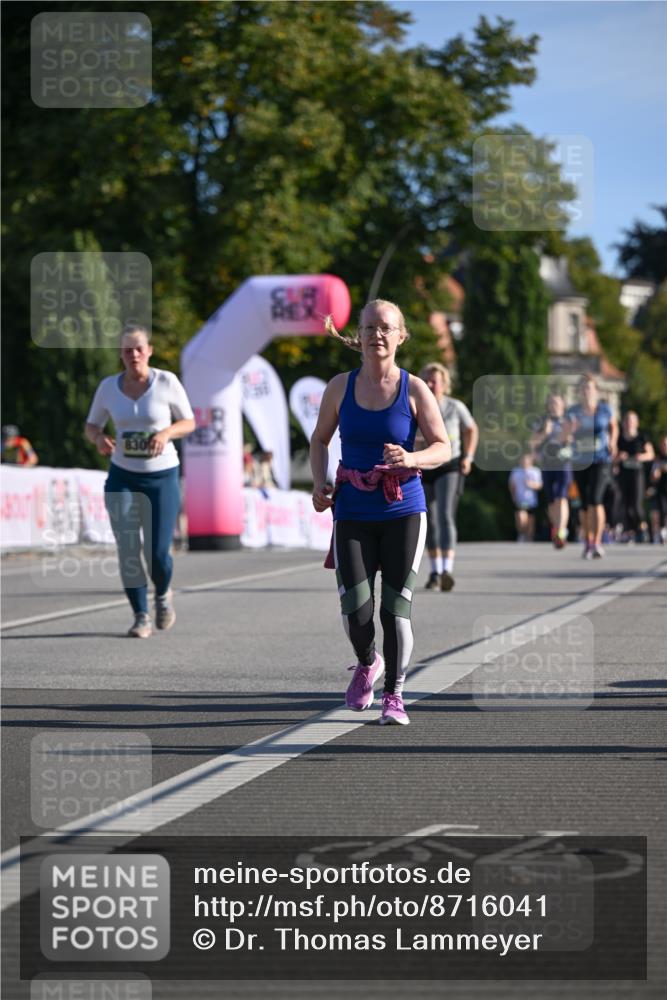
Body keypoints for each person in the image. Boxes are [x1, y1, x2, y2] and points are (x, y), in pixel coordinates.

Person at [310, 299, 450, 726]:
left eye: (387, 327)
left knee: (394, 607)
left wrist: (411, 458)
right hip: (352, 506)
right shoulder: (340, 386)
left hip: (403, 508)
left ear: (401, 335)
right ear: (360, 335)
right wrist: (319, 483)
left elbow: (444, 446)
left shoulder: (414, 389)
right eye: (370, 327)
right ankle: (368, 662)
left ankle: (395, 694)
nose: (378, 334)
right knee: (355, 606)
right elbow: (319, 440)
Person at [84, 325, 195, 638]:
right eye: (126, 350)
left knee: (158, 552)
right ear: (120, 354)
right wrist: (98, 439)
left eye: (138, 349)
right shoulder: (108, 387)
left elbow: (189, 421)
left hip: (162, 475)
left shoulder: (166, 382)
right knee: (129, 549)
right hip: (122, 475)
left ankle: (162, 595)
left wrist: (165, 432)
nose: (132, 355)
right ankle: (140, 615)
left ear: (149, 351)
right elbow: (91, 425)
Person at [417, 362, 477, 591]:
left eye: (436, 381)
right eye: (428, 380)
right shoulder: (417, 405)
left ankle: (446, 570)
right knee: (429, 520)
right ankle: (434, 570)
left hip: (450, 465)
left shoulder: (455, 406)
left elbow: (471, 429)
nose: (432, 385)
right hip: (423, 465)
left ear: (444, 383)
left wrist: (468, 457)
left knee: (444, 514)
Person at [564, 375, 618, 559]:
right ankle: (588, 541)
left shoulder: (604, 409)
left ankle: (597, 541)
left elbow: (613, 426)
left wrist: (613, 441)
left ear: (596, 390)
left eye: (590, 388)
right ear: (580, 392)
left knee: (596, 499)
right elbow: (565, 433)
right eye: (583, 388)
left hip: (601, 459)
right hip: (580, 460)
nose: (587, 391)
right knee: (584, 505)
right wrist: (569, 434)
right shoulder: (573, 412)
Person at [530, 393, 572, 549]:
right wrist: (545, 433)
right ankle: (557, 528)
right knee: (552, 501)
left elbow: (573, 439)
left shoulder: (567, 421)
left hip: (563, 463)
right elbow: (533, 443)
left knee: (562, 497)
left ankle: (561, 531)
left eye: (557, 403)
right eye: (551, 403)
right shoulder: (542, 422)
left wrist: (567, 437)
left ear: (562, 405)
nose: (554, 405)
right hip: (547, 464)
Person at [615, 411, 654, 542]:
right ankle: (630, 531)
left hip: (637, 473)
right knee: (625, 504)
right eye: (627, 420)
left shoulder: (642, 437)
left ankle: (643, 528)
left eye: (632, 420)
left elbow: (651, 454)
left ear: (636, 423)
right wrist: (619, 457)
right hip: (623, 474)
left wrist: (640, 456)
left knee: (637, 504)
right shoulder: (619, 438)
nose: (629, 423)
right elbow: (612, 456)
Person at [509, 452, 542, 542]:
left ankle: (529, 537)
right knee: (521, 517)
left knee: (531, 521)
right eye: (523, 460)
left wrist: (531, 485)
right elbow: (512, 485)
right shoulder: (516, 471)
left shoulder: (535, 471)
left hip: (531, 500)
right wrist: (513, 496)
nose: (524, 462)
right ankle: (521, 534)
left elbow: (540, 485)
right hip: (520, 499)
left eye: (526, 460)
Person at [649, 434, 667, 544]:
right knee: (658, 512)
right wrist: (656, 474)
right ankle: (658, 534)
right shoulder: (658, 459)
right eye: (663, 445)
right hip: (660, 490)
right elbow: (653, 476)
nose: (665, 447)